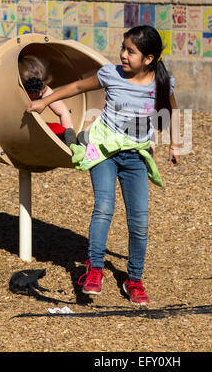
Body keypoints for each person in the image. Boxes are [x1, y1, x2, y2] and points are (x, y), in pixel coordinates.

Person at [26, 25, 180, 305]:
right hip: (103, 151)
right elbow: (76, 87)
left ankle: (134, 280)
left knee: (140, 222)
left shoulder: (162, 82)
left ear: (148, 59)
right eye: (123, 48)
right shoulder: (111, 74)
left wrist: (175, 143)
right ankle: (94, 270)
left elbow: (171, 109)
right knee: (104, 208)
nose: (122, 54)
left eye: (130, 51)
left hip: (135, 157)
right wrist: (44, 102)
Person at [19, 55, 77, 146]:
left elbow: (63, 112)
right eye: (36, 92)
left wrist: (69, 132)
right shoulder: (16, 92)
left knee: (56, 128)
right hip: (17, 128)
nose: (41, 94)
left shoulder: (44, 90)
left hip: (33, 128)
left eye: (43, 89)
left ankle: (69, 140)